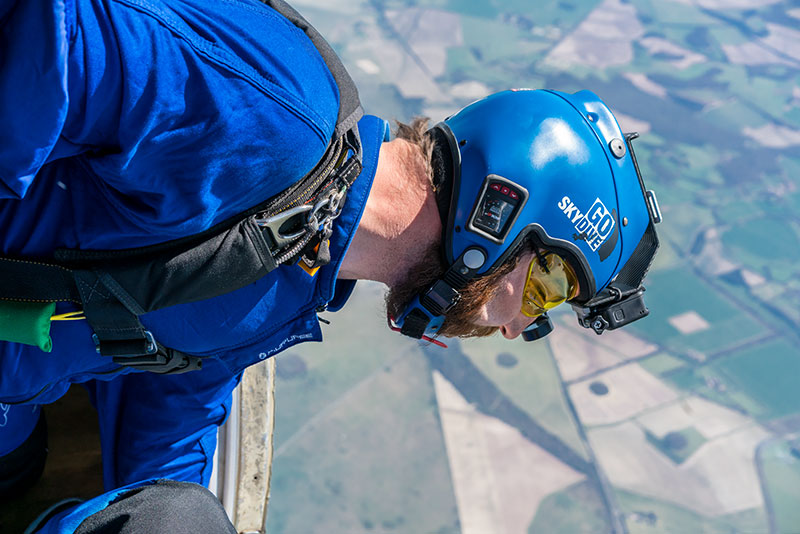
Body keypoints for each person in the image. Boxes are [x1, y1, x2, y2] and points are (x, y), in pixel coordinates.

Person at [0, 0, 661, 531]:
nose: (519, 327)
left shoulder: (296, 280)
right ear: (504, 212)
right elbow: (56, 31)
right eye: (549, 289)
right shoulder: (277, 111)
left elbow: (169, 409)